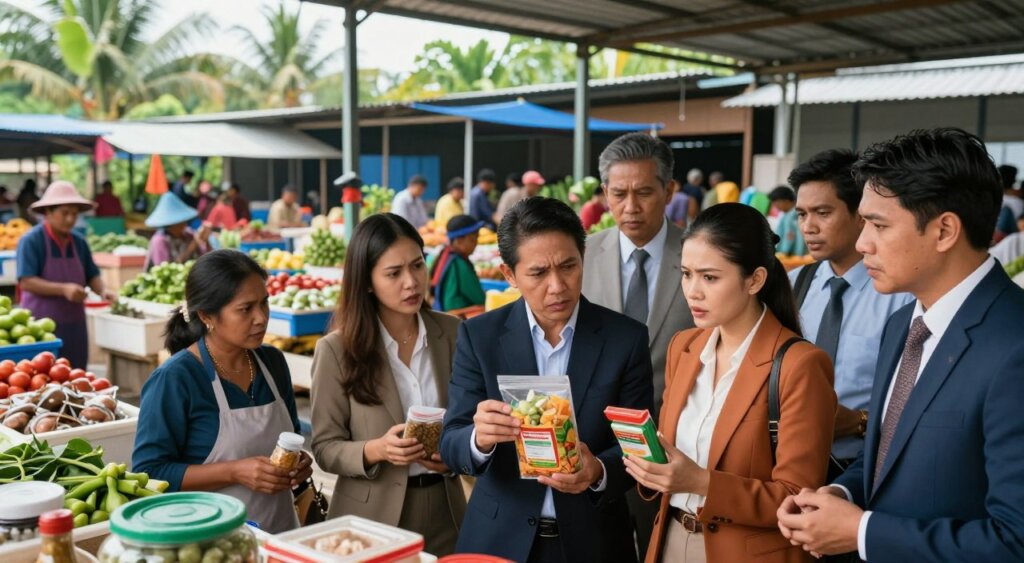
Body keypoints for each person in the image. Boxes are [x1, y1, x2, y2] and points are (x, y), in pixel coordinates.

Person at [777, 128, 1024, 561]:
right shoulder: (903, 325)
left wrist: (863, 532)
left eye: (877, 224)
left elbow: (1014, 540)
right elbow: (888, 455)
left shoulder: (1013, 346)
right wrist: (838, 494)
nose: (861, 242)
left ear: (944, 230)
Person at [440, 197, 654, 563]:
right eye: (538, 273)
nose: (557, 286)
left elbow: (639, 448)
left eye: (568, 266)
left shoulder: (625, 338)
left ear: (582, 257)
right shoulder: (480, 336)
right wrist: (479, 438)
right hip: (498, 538)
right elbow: (451, 443)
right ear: (509, 275)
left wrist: (598, 471)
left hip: (594, 542)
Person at [629, 203, 836, 563]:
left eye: (710, 278)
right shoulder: (685, 347)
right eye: (687, 274)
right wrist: (651, 466)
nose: (692, 291)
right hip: (670, 538)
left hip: (749, 552)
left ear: (754, 279)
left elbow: (797, 497)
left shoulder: (799, 364)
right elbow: (670, 456)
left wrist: (700, 482)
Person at [310, 214, 467, 555]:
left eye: (417, 265)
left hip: (447, 510)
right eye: (394, 273)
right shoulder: (337, 350)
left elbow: (469, 422)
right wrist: (375, 450)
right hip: (371, 517)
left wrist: (454, 453)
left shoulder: (453, 334)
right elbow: (324, 447)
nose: (411, 282)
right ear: (367, 281)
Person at [132, 250, 311, 533]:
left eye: (264, 304)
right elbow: (148, 472)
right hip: (209, 539)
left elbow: (291, 436)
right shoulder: (176, 379)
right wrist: (235, 471)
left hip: (279, 532)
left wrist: (299, 463)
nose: (261, 318)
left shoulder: (272, 363)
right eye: (245, 309)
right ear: (206, 316)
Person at [582, 133, 696, 559]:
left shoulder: (700, 255)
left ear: (668, 190)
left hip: (674, 448)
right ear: (605, 193)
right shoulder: (581, 255)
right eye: (618, 194)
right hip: (594, 447)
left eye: (644, 192)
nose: (630, 207)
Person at [788, 149, 914, 486]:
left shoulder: (899, 296)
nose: (808, 227)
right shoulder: (793, 286)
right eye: (801, 214)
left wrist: (858, 421)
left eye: (822, 213)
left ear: (861, 215)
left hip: (861, 466)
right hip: (791, 462)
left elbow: (916, 400)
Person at [17, 181, 115, 367]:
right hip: (40, 325)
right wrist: (63, 289)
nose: (70, 219)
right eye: (64, 213)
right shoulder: (31, 240)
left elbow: (92, 275)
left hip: (74, 324)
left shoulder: (79, 242)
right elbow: (26, 281)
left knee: (76, 373)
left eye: (74, 214)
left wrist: (103, 290)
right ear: (48, 213)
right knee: (43, 377)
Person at [429, 215, 486, 312]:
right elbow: (480, 299)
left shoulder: (445, 255)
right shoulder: (460, 264)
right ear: (459, 241)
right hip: (456, 320)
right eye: (473, 239)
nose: (476, 243)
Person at [143, 192, 211, 271]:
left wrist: (206, 240)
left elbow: (207, 258)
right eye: (180, 222)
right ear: (171, 224)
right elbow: (167, 270)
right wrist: (193, 244)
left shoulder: (188, 234)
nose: (184, 224)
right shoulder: (159, 240)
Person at [772, 186, 808, 257]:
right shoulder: (786, 215)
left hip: (792, 255)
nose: (775, 206)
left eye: (776, 203)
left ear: (785, 200)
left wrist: (784, 252)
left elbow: (790, 236)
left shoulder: (792, 216)